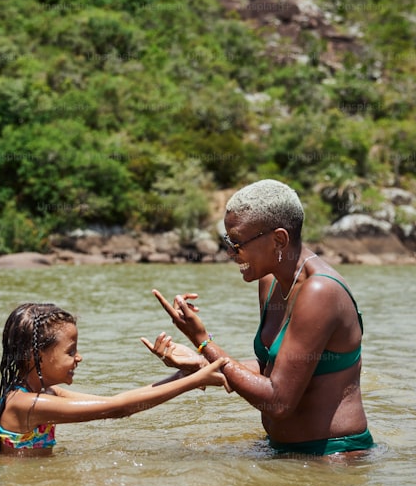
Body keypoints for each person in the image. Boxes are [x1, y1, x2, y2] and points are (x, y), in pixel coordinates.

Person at [147, 179, 374, 457]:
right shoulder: (270, 281)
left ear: (279, 239)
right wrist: (200, 363)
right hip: (281, 451)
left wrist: (203, 342)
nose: (230, 253)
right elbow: (274, 366)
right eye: (227, 241)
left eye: (238, 243)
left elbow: (278, 402)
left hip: (331, 458)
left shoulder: (320, 291)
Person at [0, 302, 228, 456]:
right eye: (70, 352)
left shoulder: (46, 394)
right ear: (33, 357)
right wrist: (193, 382)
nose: (78, 358)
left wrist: (182, 374)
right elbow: (118, 409)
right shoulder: (25, 404)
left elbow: (117, 401)